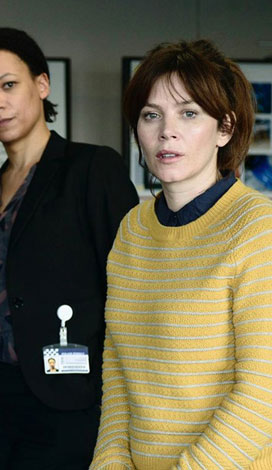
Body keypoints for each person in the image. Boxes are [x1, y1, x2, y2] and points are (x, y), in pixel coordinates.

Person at [0, 27, 139, 469]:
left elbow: (131, 289)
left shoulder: (91, 169)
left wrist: (111, 398)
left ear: (42, 84)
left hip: (64, 400)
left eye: (8, 85)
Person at [91, 40, 271, 470]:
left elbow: (262, 393)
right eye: (151, 115)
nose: (166, 131)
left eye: (188, 113)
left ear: (224, 128)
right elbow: (118, 372)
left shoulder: (257, 227)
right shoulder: (133, 230)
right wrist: (109, 463)